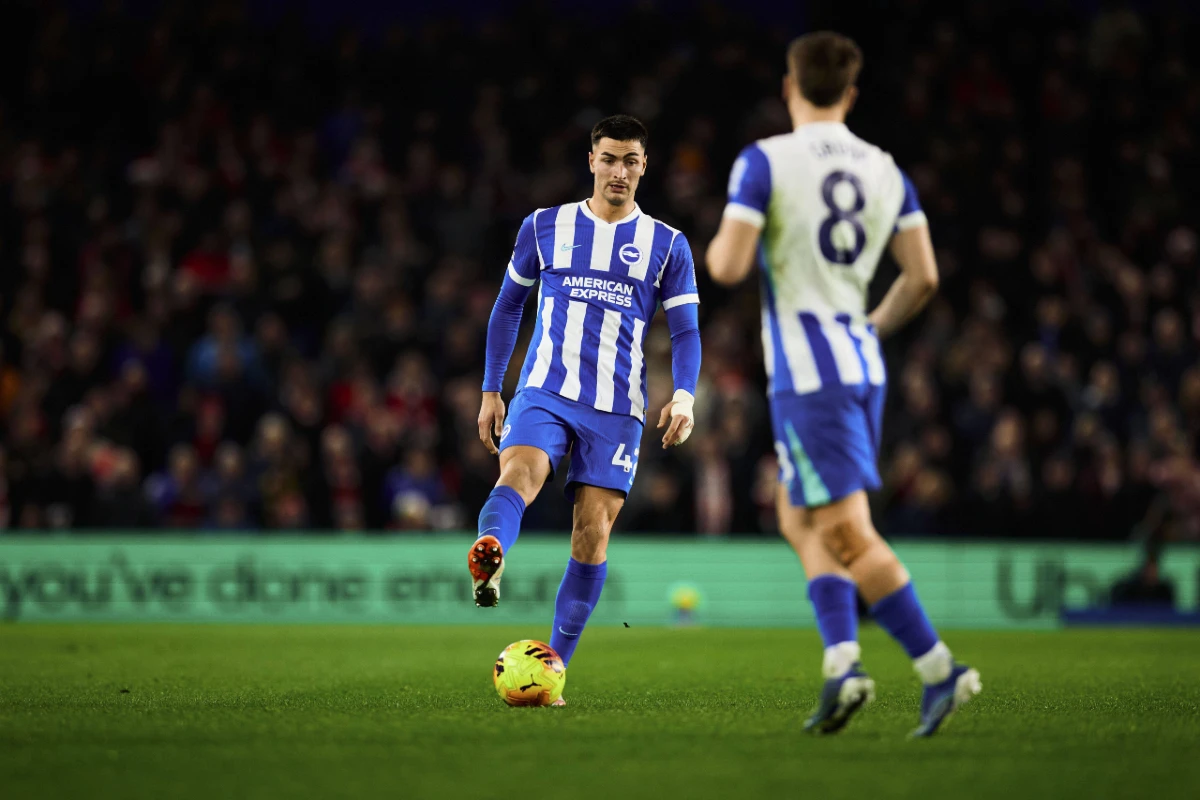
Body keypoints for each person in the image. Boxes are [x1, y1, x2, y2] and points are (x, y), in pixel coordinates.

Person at [705, 32, 980, 737]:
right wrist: (871, 326)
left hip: (808, 374)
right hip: (860, 365)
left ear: (789, 86)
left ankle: (939, 668)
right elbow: (923, 277)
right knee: (798, 515)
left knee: (847, 532)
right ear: (851, 94)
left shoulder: (764, 160)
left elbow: (730, 266)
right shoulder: (886, 169)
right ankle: (842, 664)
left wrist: (724, 237)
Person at [470, 114, 702, 703]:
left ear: (644, 166)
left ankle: (552, 670)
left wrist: (684, 394)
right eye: (609, 158)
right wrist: (492, 389)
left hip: (617, 408)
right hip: (545, 388)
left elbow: (685, 331)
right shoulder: (545, 226)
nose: (618, 171)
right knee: (518, 473)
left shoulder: (668, 244)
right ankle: (490, 554)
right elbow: (506, 308)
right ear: (591, 161)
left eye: (630, 161)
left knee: (590, 535)